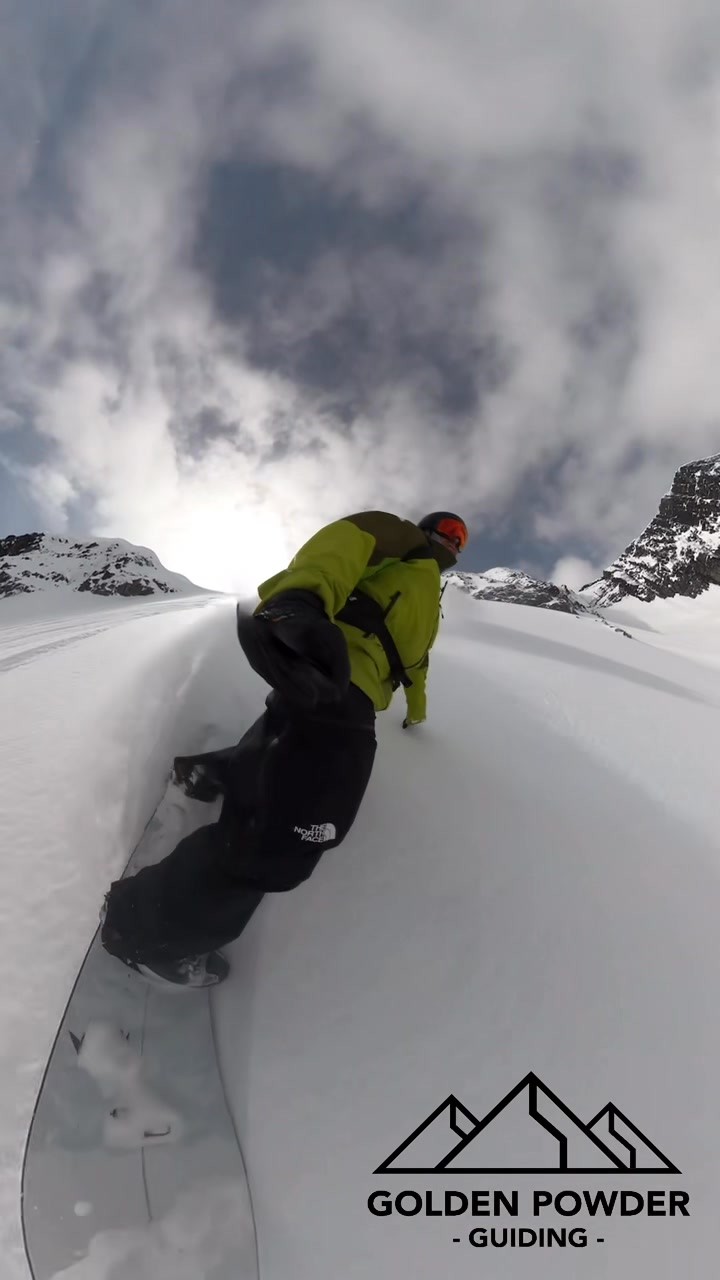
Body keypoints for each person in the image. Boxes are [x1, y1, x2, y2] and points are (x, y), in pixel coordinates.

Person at [100, 510, 469, 988]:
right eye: (451, 530)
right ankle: (140, 933)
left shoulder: (428, 599)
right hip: (333, 681)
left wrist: (416, 715)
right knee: (283, 844)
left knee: (277, 770)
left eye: (462, 539)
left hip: (329, 697)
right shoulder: (406, 546)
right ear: (429, 528)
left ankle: (214, 774)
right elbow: (346, 543)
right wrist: (302, 599)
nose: (456, 543)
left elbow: (415, 666)